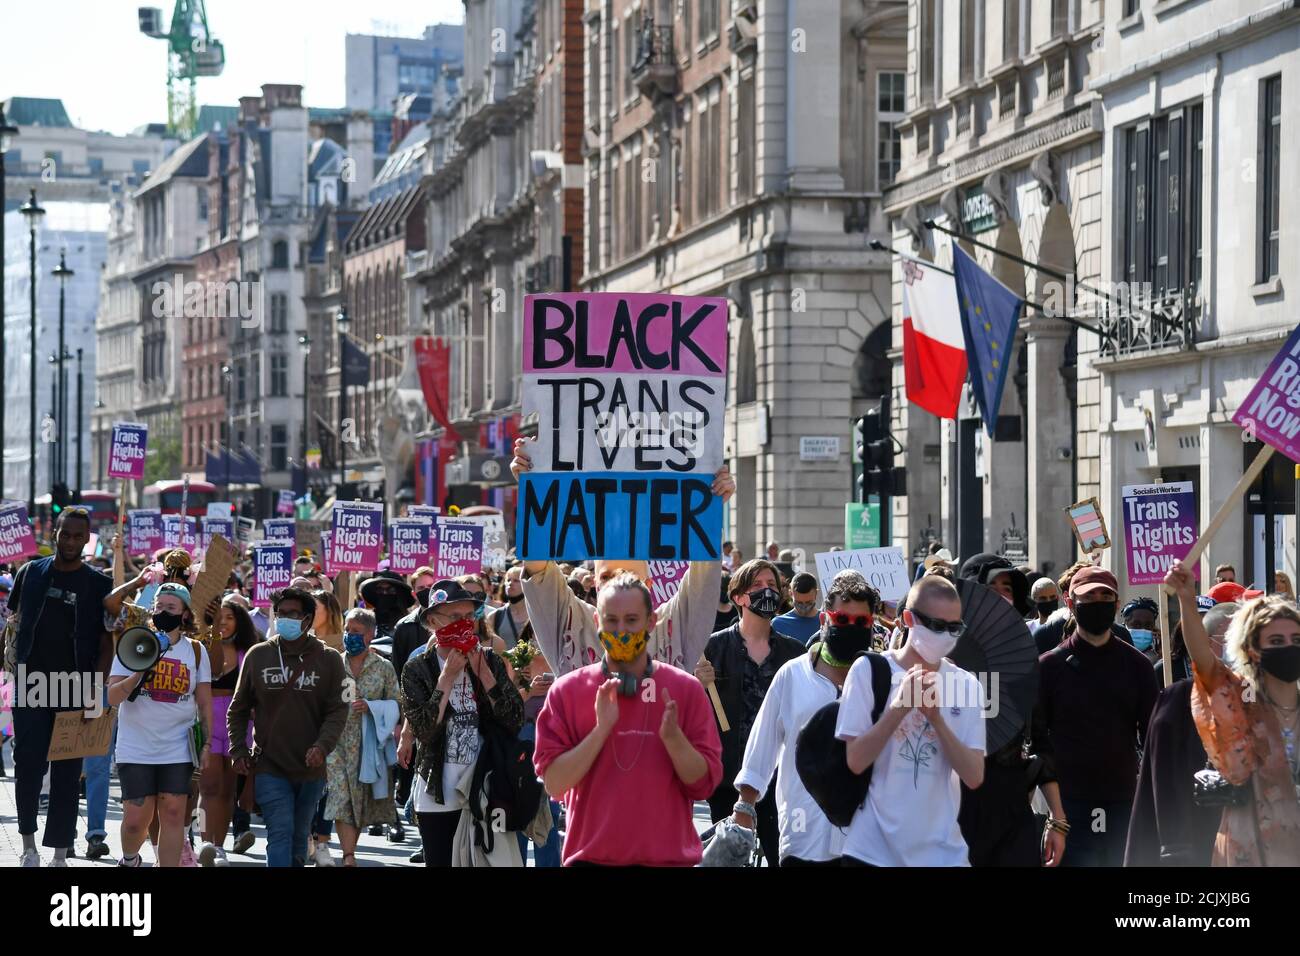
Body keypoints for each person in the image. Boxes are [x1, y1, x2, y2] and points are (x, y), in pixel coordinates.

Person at [533, 573, 722, 866]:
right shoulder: (566, 691)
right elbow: (555, 785)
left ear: (651, 622)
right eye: (611, 620)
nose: (621, 630)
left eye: (632, 620)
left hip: (667, 861)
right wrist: (600, 731)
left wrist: (674, 739)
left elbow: (703, 786)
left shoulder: (685, 689)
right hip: (591, 860)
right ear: (597, 622)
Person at [509, 436, 734, 675]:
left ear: (649, 585)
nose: (619, 585)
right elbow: (538, 571)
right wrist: (535, 487)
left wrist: (710, 502)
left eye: (629, 577)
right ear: (595, 585)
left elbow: (705, 570)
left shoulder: (672, 623)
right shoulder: (573, 621)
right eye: (607, 577)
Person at [835, 574, 986, 866]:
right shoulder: (868, 670)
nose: (945, 635)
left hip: (943, 854)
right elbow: (855, 760)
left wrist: (938, 721)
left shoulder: (967, 685)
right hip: (871, 850)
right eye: (937, 626)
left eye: (954, 627)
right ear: (908, 619)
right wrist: (899, 708)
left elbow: (974, 776)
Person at [732, 570, 879, 865]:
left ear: (871, 625)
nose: (851, 627)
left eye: (861, 622)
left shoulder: (884, 680)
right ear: (825, 620)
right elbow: (763, 744)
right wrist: (745, 808)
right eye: (842, 620)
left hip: (867, 838)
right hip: (804, 831)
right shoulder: (793, 675)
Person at [1166, 561, 1300, 864]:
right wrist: (1187, 600)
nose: (1289, 648)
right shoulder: (1241, 700)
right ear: (1254, 650)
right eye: (1276, 641)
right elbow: (1205, 662)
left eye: (1296, 640)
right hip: (1250, 847)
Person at [3, 508, 113, 867]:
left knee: (67, 774)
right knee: (28, 765)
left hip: (76, 689)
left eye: (77, 536)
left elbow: (105, 641)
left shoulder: (98, 584)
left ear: (87, 539)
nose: (69, 541)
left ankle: (60, 854)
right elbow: (14, 623)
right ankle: (28, 845)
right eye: (64, 534)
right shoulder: (30, 573)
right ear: (54, 532)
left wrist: (96, 691)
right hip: (32, 685)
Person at [1035, 566, 1157, 866]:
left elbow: (1153, 738)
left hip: (1125, 803)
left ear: (1117, 604)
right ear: (1070, 603)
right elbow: (1039, 743)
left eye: (1106, 595)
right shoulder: (1048, 667)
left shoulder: (1138, 666)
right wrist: (1056, 815)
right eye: (1088, 597)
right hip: (1068, 805)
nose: (1098, 601)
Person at [401, 580, 523, 866]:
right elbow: (425, 730)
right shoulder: (418, 668)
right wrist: (446, 679)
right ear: (432, 621)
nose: (464, 623)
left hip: (484, 790)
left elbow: (514, 719)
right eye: (455, 617)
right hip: (437, 795)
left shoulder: (489, 660)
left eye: (469, 617)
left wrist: (485, 675)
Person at [226, 587, 349, 867]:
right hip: (270, 765)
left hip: (311, 768)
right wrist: (239, 749)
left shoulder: (329, 659)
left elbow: (338, 710)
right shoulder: (258, 656)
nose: (286, 619)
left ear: (307, 619)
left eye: (293, 614)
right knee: (279, 832)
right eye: (281, 614)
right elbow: (239, 708)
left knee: (298, 835)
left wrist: (322, 746)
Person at [695, 559, 805, 866]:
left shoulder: (795, 654)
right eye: (757, 586)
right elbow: (688, 711)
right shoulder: (711, 649)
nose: (766, 591)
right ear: (739, 597)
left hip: (778, 780)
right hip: (727, 778)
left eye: (772, 585)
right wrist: (696, 684)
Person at [1124, 601, 1240, 866]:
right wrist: (1175, 844)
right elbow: (1164, 779)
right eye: (1230, 639)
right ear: (1207, 643)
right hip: (1194, 838)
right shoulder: (1178, 699)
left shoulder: (1259, 701)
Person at [107, 582, 212, 867]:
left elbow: (203, 703)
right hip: (136, 746)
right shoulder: (135, 642)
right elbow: (113, 696)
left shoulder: (197, 652)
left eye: (171, 607)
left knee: (174, 814)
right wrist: (139, 673)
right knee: (134, 821)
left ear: (185, 614)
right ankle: (130, 860)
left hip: (177, 747)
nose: (164, 612)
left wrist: (207, 744)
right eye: (159, 607)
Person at [325, 608, 400, 867]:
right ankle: (348, 855)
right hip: (335, 743)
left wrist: (372, 707)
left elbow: (396, 704)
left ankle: (349, 850)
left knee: (359, 798)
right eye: (347, 630)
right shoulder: (333, 663)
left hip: (368, 745)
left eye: (356, 631)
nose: (349, 635)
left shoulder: (384, 667)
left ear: (370, 635)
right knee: (340, 796)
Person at [197, 598, 260, 866]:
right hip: (206, 722)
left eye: (230, 617)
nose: (223, 622)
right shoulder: (199, 649)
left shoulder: (249, 653)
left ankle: (219, 847)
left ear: (240, 622)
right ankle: (205, 844)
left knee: (227, 791)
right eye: (218, 617)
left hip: (238, 726)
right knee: (208, 788)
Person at [358, 569, 416, 644]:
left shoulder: (409, 625)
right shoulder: (366, 621)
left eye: (390, 590)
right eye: (380, 590)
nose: (384, 593)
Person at [772, 572, 822, 645]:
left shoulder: (826, 622)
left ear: (816, 593)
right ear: (791, 594)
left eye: (808, 602)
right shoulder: (778, 624)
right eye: (799, 602)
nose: (804, 607)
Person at [492, 565, 529, 646]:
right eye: (508, 580)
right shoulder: (494, 616)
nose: (510, 583)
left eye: (516, 580)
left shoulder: (537, 615)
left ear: (526, 584)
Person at [1122, 597, 1162, 666]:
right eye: (1136, 625)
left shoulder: (1157, 659)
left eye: (1148, 626)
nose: (1143, 630)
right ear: (1125, 623)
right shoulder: (1113, 653)